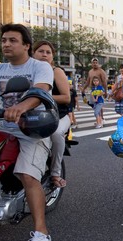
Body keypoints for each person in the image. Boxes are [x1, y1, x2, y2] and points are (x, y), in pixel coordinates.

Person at [0, 23, 54, 241]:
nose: (6, 44)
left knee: (27, 174)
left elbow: (40, 91)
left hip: (32, 129)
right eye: (4, 40)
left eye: (13, 40)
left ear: (26, 45)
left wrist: (21, 107)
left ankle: (42, 236)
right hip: (3, 128)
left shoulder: (39, 67)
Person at [33, 40, 71, 188]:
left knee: (55, 134)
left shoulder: (56, 71)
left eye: (48, 52)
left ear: (52, 57)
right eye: (41, 51)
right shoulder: (30, 71)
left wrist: (38, 96)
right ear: (33, 53)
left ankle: (55, 173)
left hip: (59, 116)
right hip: (36, 116)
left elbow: (66, 97)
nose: (44, 54)